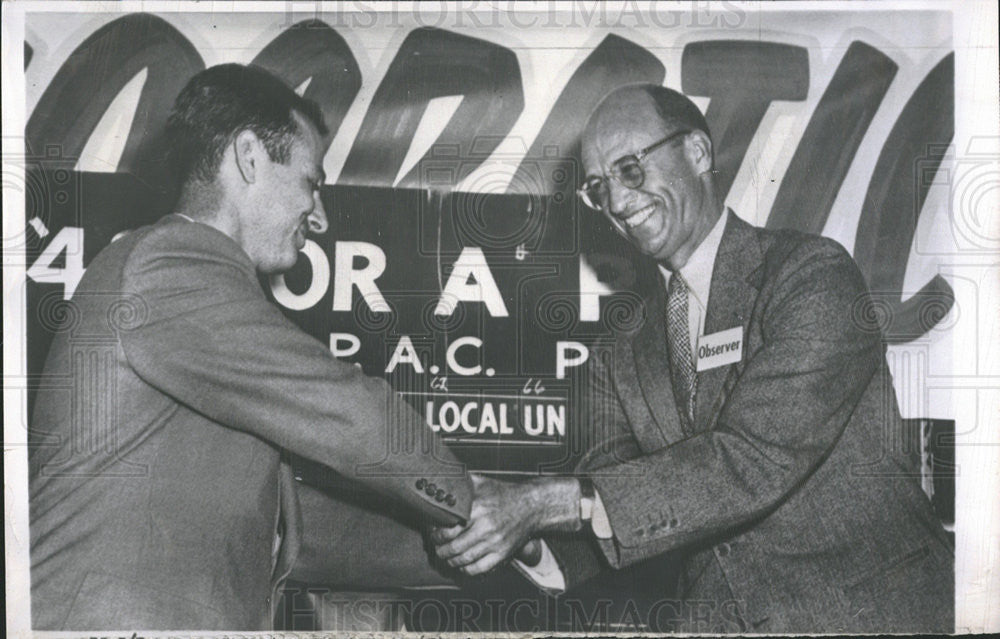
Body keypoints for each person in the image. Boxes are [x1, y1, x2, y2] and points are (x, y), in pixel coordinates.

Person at [431, 84, 954, 633]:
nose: (614, 202)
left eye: (629, 169)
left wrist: (541, 504)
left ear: (698, 154)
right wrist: (524, 537)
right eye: (597, 187)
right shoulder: (618, 353)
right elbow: (616, 509)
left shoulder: (811, 274)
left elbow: (753, 456)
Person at [28, 63, 471, 631]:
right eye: (312, 183)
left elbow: (286, 527)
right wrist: (470, 500)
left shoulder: (202, 300)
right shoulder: (170, 264)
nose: (321, 215)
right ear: (249, 156)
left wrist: (482, 541)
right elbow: (347, 413)